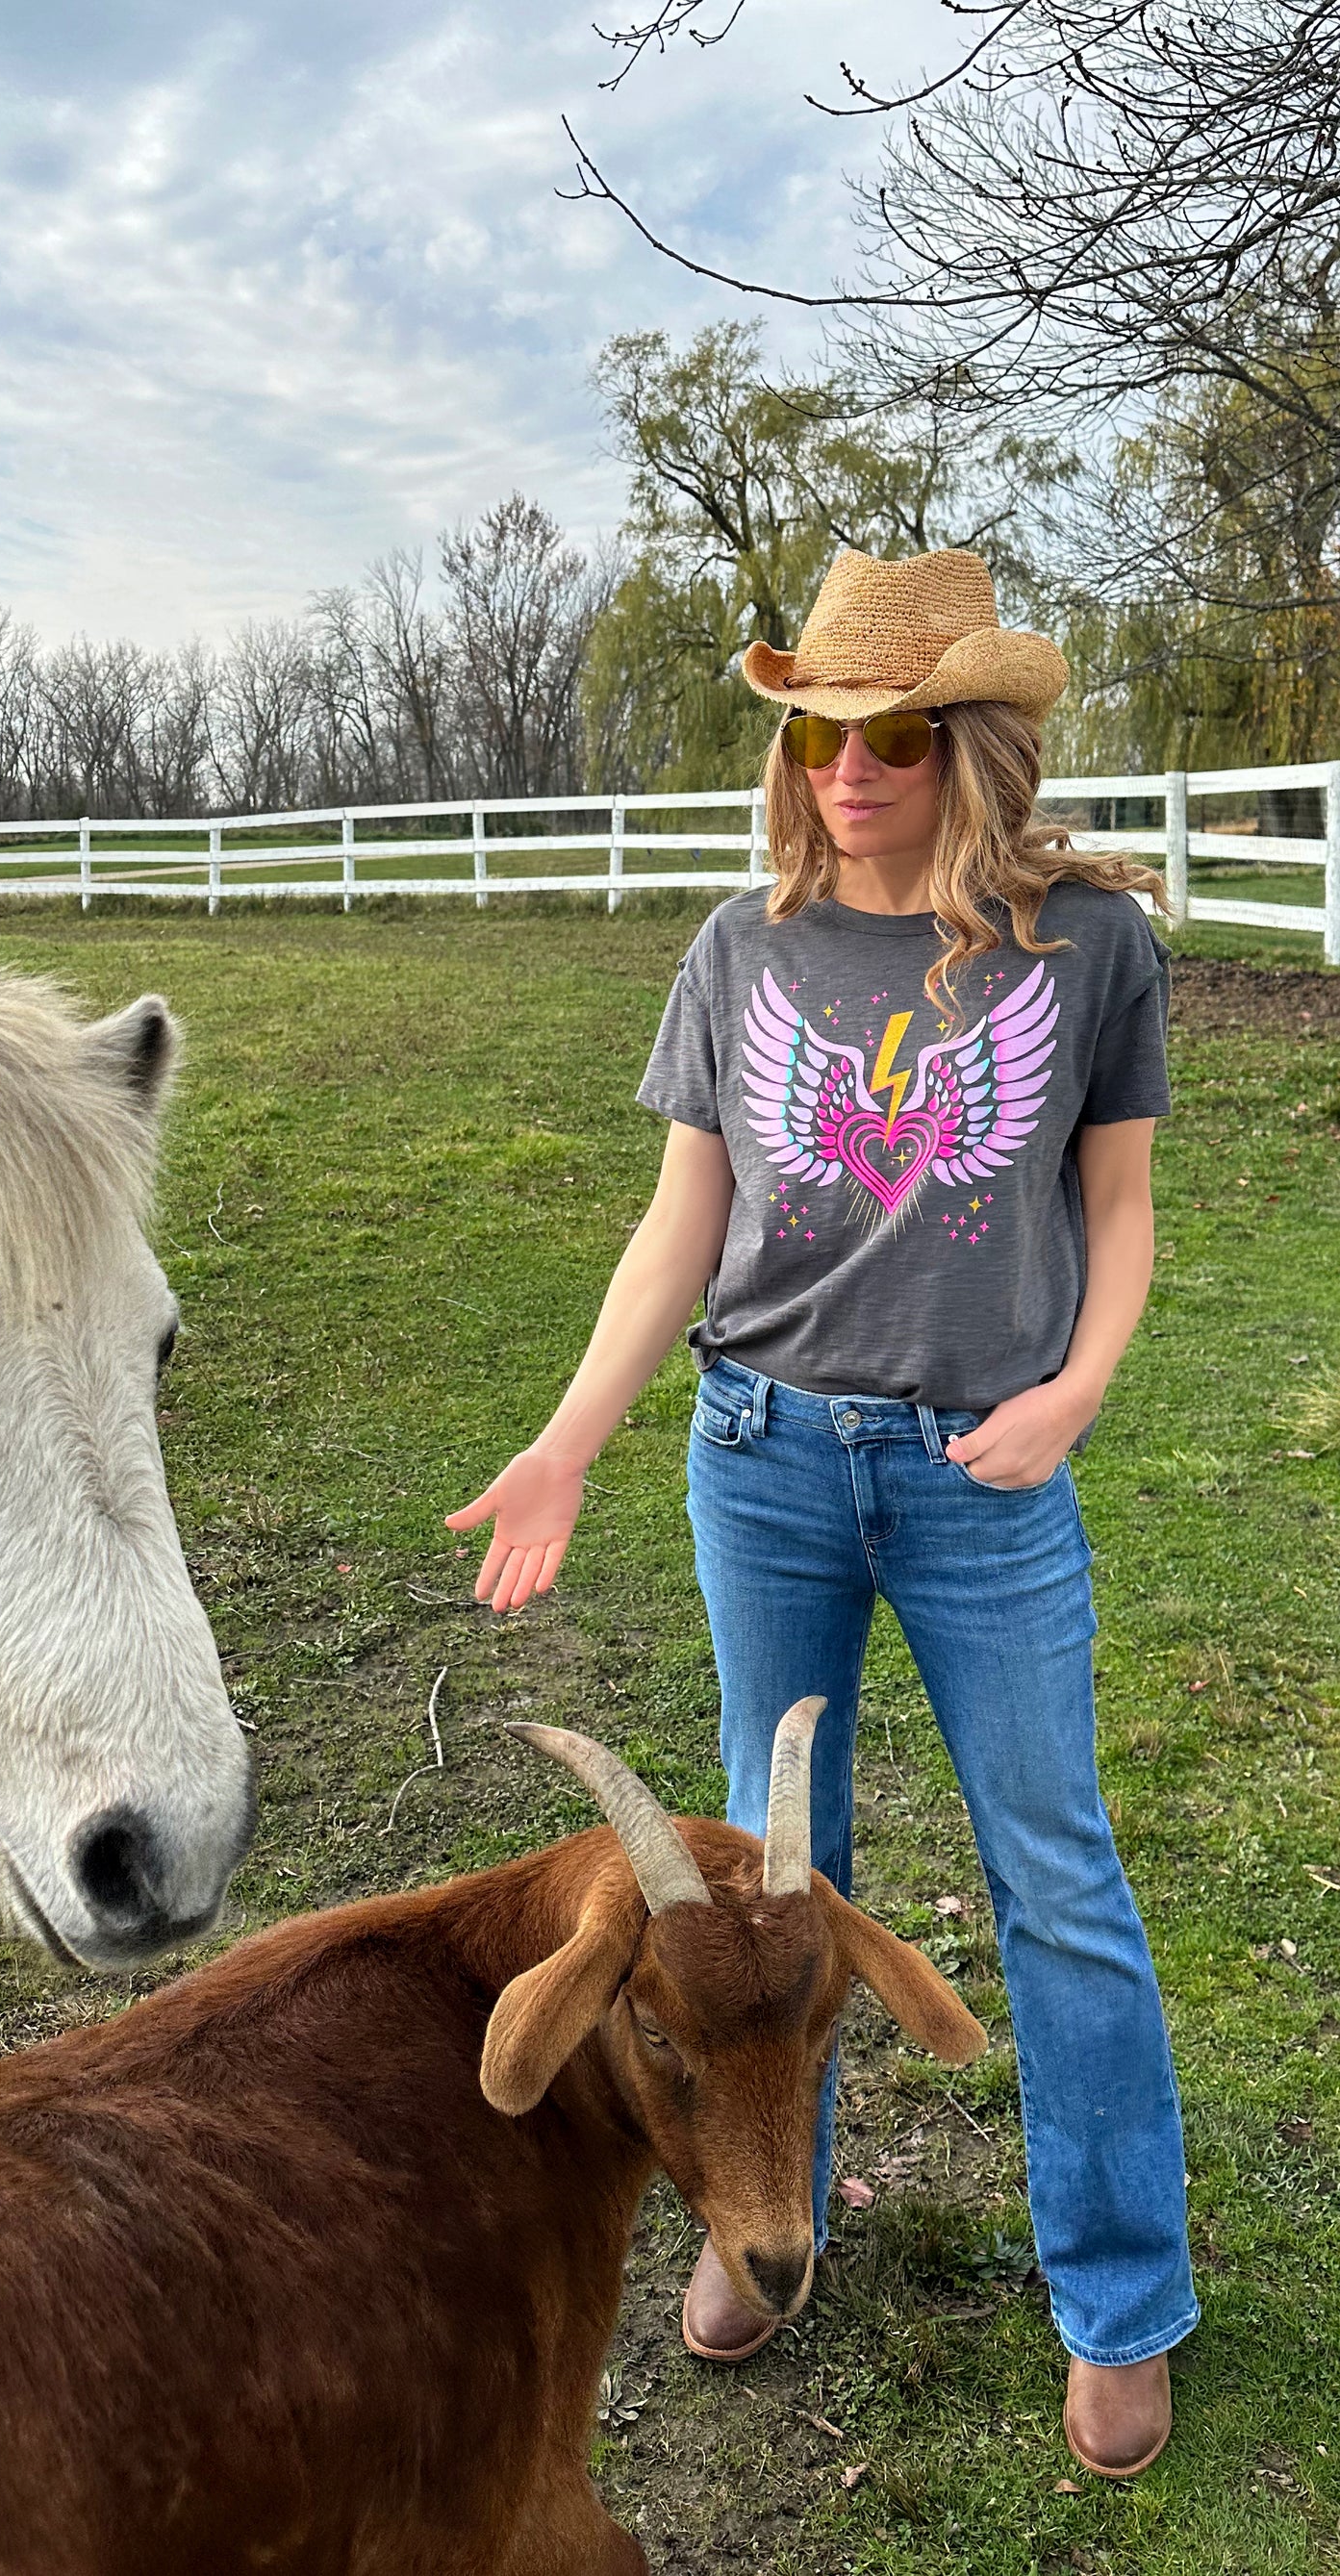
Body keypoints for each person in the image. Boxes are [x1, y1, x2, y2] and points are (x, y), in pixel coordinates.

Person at [446, 548, 1193, 2480]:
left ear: (967, 746)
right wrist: (570, 1434)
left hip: (980, 1475)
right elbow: (681, 1219)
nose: (843, 771)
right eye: (813, 734)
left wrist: (1074, 1391)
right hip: (763, 1458)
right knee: (764, 1902)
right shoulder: (740, 950)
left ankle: (1116, 2293)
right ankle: (775, 2223)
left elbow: (1114, 1211)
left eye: (887, 736)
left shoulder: (1082, 948)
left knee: (1057, 1877)